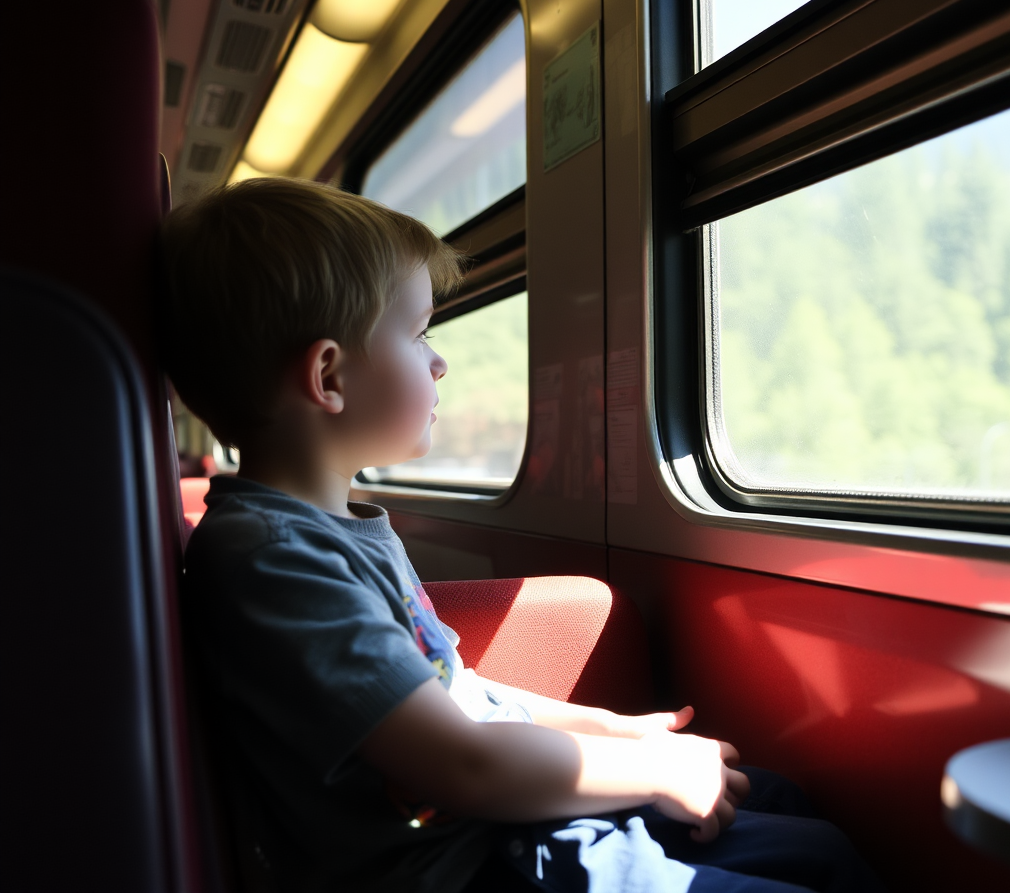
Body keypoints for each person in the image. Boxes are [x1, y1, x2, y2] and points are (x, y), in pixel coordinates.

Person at [159, 178, 883, 893]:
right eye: (418, 335)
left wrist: (608, 728)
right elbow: (462, 765)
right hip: (465, 864)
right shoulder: (274, 559)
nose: (438, 361)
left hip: (503, 832)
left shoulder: (333, 530)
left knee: (797, 820)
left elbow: (456, 691)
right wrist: (655, 771)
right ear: (328, 376)